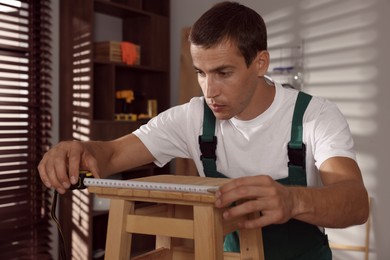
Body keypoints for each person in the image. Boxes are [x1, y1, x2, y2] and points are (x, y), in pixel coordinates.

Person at [38, 2, 369, 259]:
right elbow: (111, 154)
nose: (209, 91)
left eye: (223, 73)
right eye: (200, 72)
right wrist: (80, 150)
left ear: (260, 63)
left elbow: (355, 202)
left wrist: (292, 200)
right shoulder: (192, 118)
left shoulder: (315, 115)